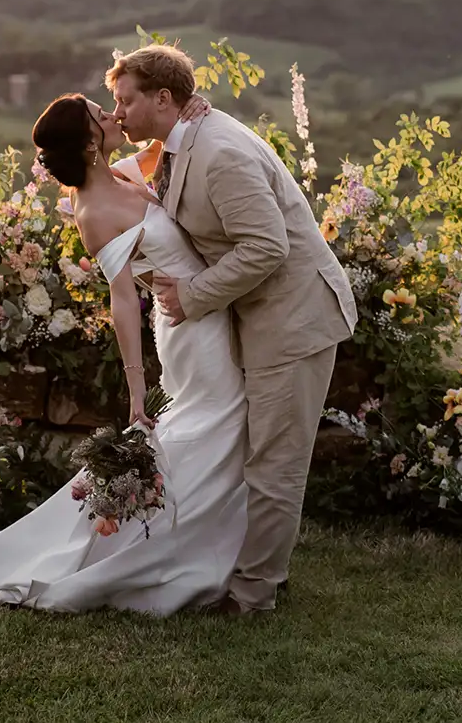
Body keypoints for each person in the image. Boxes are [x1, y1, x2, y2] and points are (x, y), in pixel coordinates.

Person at [0, 91, 246, 614]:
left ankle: (209, 547)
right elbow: (123, 299)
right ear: (88, 143)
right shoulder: (94, 210)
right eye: (99, 115)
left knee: (214, 431)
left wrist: (196, 110)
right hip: (188, 331)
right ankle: (165, 556)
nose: (112, 115)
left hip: (208, 312)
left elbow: (174, 155)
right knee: (214, 427)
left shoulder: (122, 174)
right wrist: (134, 392)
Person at [110, 44, 356, 615]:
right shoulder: (182, 138)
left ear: (163, 99)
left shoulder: (219, 151)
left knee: (274, 462)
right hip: (261, 318)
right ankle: (253, 571)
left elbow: (267, 247)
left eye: (125, 101)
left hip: (294, 320)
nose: (117, 112)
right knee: (255, 454)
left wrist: (191, 296)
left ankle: (252, 596)